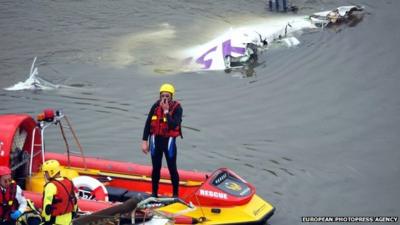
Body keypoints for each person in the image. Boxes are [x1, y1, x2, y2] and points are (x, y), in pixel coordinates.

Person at [141, 83, 183, 198]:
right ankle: (154, 193)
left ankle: (175, 195)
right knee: (156, 168)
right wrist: (144, 141)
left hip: (168, 142)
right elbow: (148, 123)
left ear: (171, 97)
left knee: (172, 168)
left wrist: (166, 111)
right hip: (155, 141)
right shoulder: (155, 106)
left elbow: (173, 125)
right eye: (162, 96)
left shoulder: (177, 108)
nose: (164, 98)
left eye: (167, 96)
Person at [41, 160, 77, 225]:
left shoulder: (50, 186)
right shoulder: (69, 182)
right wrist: (74, 213)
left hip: (55, 221)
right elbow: (74, 201)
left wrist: (47, 221)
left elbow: (47, 207)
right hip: (68, 220)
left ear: (51, 172)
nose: (45, 174)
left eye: (45, 172)